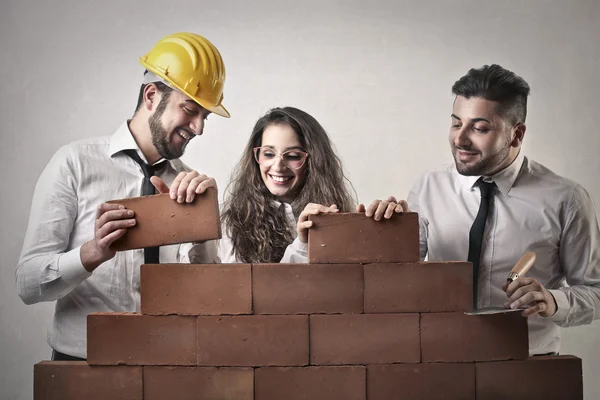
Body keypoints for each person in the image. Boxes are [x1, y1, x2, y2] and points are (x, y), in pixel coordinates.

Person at [16, 32, 228, 360]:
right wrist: (91, 253)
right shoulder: (74, 163)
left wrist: (204, 229)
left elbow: (211, 296)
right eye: (190, 109)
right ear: (151, 96)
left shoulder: (188, 186)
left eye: (206, 116)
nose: (199, 128)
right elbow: (28, 285)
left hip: (164, 364)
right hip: (82, 368)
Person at [404, 64, 600, 355]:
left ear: (516, 134)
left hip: (528, 368)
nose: (460, 139)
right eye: (457, 123)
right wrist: (385, 229)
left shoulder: (566, 199)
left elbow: (595, 292)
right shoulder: (429, 186)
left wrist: (552, 301)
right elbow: (398, 276)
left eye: (479, 128)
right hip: (441, 364)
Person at [211, 106, 403, 264]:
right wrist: (303, 245)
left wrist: (392, 230)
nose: (278, 166)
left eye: (293, 156)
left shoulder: (342, 217)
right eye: (268, 154)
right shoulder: (231, 223)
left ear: (314, 161)